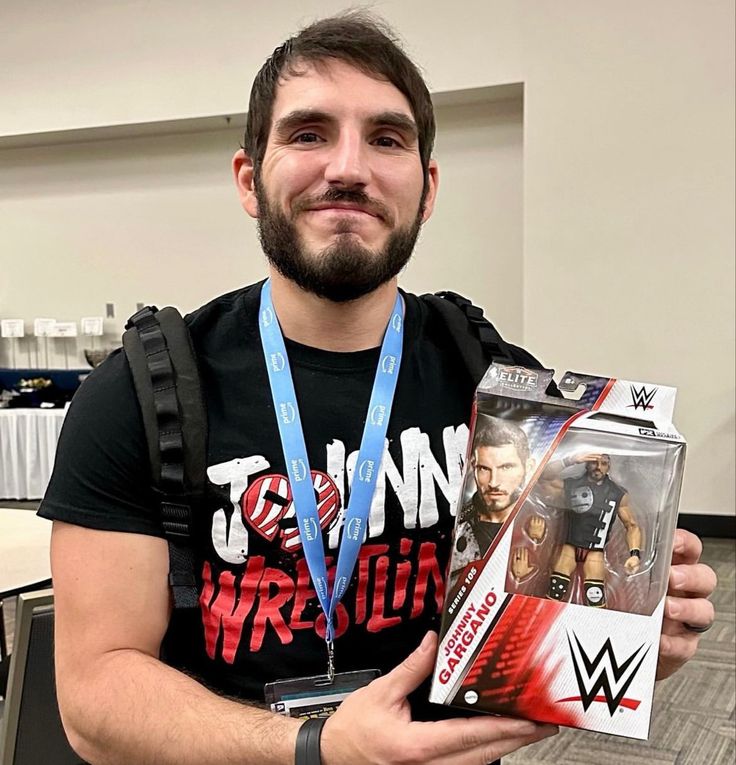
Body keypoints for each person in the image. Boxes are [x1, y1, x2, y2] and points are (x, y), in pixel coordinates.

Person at [40, 12, 716, 765]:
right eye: (308, 134)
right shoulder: (139, 391)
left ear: (426, 189)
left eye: (387, 138)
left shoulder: (503, 391)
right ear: (248, 180)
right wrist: (317, 746)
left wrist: (616, 638)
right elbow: (95, 697)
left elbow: (528, 626)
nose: (348, 168)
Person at [449, 418, 545, 589]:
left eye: (506, 467)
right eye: (484, 469)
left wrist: (522, 580)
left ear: (529, 468)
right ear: (474, 467)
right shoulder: (458, 523)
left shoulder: (544, 524)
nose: (494, 482)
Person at [537, 452, 640, 608]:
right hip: (569, 546)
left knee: (595, 594)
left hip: (595, 551)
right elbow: (543, 477)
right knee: (555, 589)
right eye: (594, 462)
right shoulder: (572, 484)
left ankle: (594, 629)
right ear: (586, 463)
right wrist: (569, 459)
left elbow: (631, 525)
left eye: (603, 463)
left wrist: (635, 555)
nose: (598, 467)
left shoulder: (617, 493)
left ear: (609, 467)